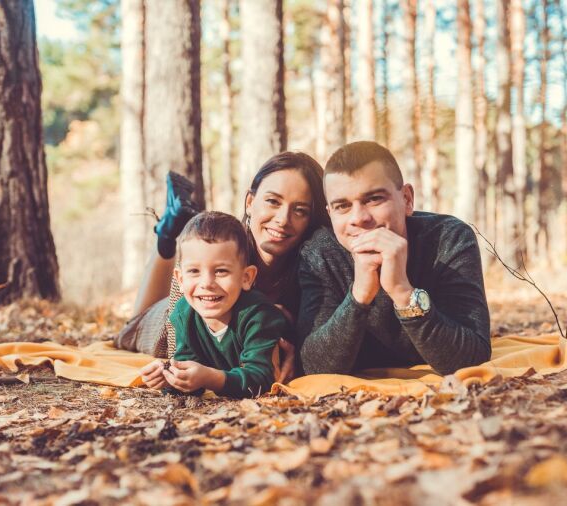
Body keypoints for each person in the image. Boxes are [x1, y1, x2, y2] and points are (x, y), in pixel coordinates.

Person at [113, 152, 329, 384]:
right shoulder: (212, 253)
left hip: (224, 314)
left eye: (299, 210)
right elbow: (182, 345)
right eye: (273, 201)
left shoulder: (311, 265)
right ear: (249, 203)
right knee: (130, 331)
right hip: (183, 315)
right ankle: (167, 234)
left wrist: (292, 350)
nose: (283, 219)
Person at [297, 141, 491, 375]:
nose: (358, 218)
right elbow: (315, 368)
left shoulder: (448, 239)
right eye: (342, 206)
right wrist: (359, 296)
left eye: (374, 199)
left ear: (407, 199)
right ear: (330, 214)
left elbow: (473, 358)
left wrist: (403, 292)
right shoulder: (320, 253)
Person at [140, 212, 290, 398]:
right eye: (194, 271)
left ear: (246, 277)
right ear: (180, 279)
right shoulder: (183, 313)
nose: (207, 283)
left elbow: (262, 380)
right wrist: (169, 376)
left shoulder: (258, 316)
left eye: (220, 271)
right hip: (151, 319)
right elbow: (191, 371)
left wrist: (211, 378)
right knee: (130, 332)